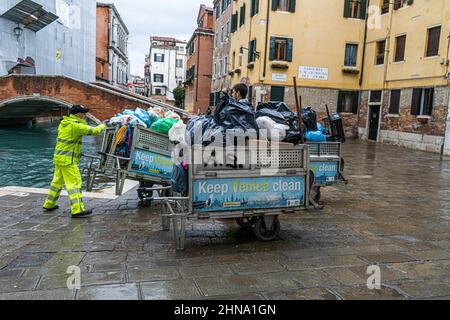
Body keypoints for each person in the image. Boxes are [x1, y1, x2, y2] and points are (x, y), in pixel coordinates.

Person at [43, 105, 107, 218]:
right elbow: (94, 131)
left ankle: (49, 204)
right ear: (78, 115)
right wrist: (103, 124)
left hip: (59, 158)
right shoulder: (75, 126)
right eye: (83, 113)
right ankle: (77, 210)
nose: (85, 115)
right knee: (74, 184)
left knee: (56, 183)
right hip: (68, 161)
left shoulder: (64, 123)